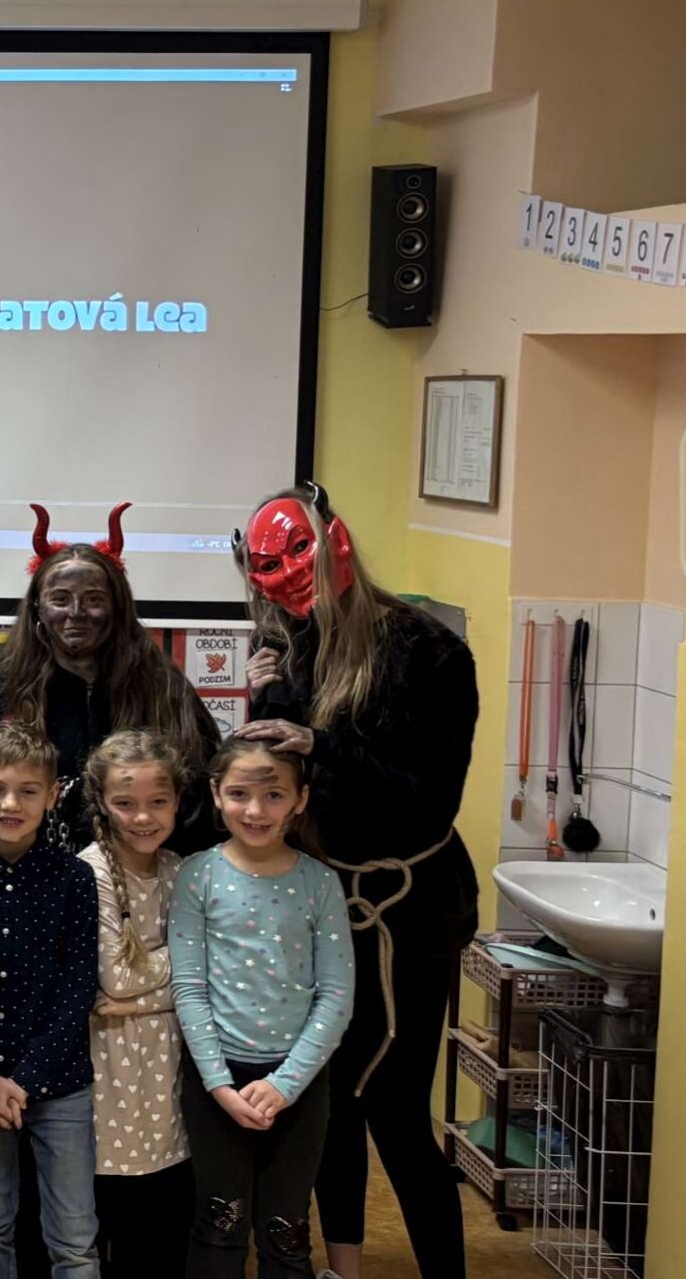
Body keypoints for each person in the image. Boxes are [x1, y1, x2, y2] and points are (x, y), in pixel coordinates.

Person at [233, 485, 476, 1279]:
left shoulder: (428, 651)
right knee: (329, 1101)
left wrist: (318, 740)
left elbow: (427, 798)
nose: (286, 580)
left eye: (297, 554)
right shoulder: (289, 642)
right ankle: (342, 1269)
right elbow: (284, 782)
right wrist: (270, 697)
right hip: (322, 902)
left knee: (397, 1110)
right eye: (267, 569)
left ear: (334, 538)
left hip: (411, 911)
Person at [170, 737, 356, 1279]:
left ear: (300, 799)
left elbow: (337, 995)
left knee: (285, 1228)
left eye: (273, 794)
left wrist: (286, 1084)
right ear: (216, 793)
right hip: (216, 1083)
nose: (255, 810)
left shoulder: (320, 883)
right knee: (219, 1222)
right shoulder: (197, 875)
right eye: (239, 794)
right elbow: (189, 988)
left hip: (299, 1083)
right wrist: (219, 1084)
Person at [0, 504, 220, 850]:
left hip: (143, 866)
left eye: (93, 599)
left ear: (117, 606)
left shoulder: (163, 685)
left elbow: (198, 793)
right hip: (34, 869)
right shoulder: (4, 686)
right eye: (60, 599)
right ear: (39, 607)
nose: (76, 613)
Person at [0, 723, 101, 1279]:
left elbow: (77, 989)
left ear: (53, 794)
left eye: (28, 791)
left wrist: (27, 1078)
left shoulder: (75, 878)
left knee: (75, 1238)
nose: (10, 804)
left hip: (61, 1082)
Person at [79, 732, 194, 1279]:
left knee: (160, 1237)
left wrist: (131, 1002)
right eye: (125, 803)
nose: (142, 817)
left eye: (157, 801)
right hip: (108, 1080)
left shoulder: (180, 870)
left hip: (168, 1079)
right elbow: (117, 977)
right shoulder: (91, 871)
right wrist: (186, 964)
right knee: (104, 1222)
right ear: (102, 802)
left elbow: (128, 990)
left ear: (178, 802)